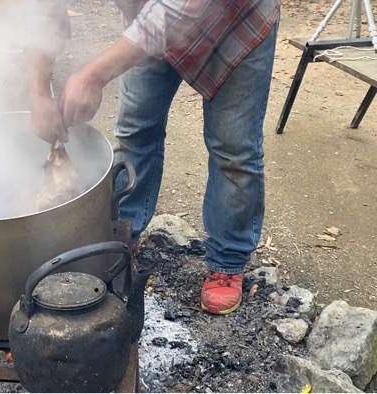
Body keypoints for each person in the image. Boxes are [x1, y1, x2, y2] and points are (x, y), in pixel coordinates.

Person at [25, 0, 281, 315]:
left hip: (234, 23)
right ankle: (122, 234)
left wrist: (94, 76)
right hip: (148, 22)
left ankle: (227, 258)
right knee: (135, 131)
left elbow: (175, 10)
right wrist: (37, 91)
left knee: (233, 149)